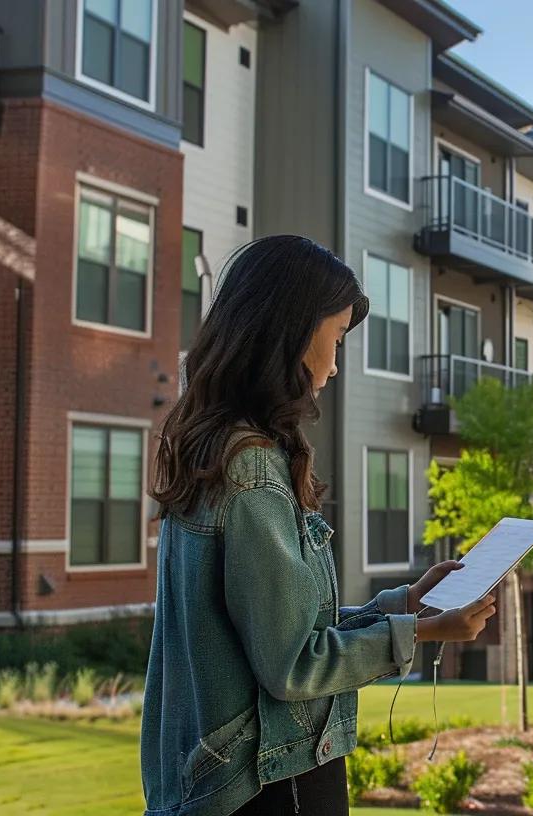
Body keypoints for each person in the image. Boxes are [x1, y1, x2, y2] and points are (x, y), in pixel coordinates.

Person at [141, 235, 496, 816]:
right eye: (333, 339)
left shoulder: (211, 446)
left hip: (229, 779)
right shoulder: (252, 468)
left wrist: (403, 602)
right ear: (289, 336)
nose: (333, 365)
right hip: (271, 783)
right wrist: (426, 633)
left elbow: (281, 633)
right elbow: (294, 666)